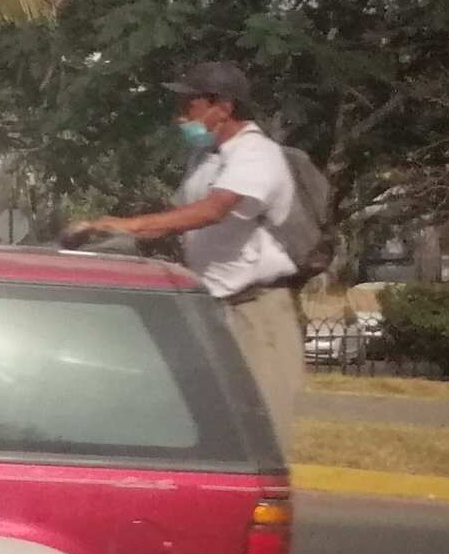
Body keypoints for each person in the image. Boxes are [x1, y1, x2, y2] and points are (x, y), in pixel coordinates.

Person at [62, 61, 303, 446]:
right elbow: (177, 222)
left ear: (222, 108)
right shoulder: (205, 159)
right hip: (213, 306)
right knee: (206, 430)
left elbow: (213, 211)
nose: (179, 117)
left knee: (261, 435)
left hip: (257, 312)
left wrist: (129, 224)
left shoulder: (256, 153)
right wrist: (106, 236)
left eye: (188, 105)